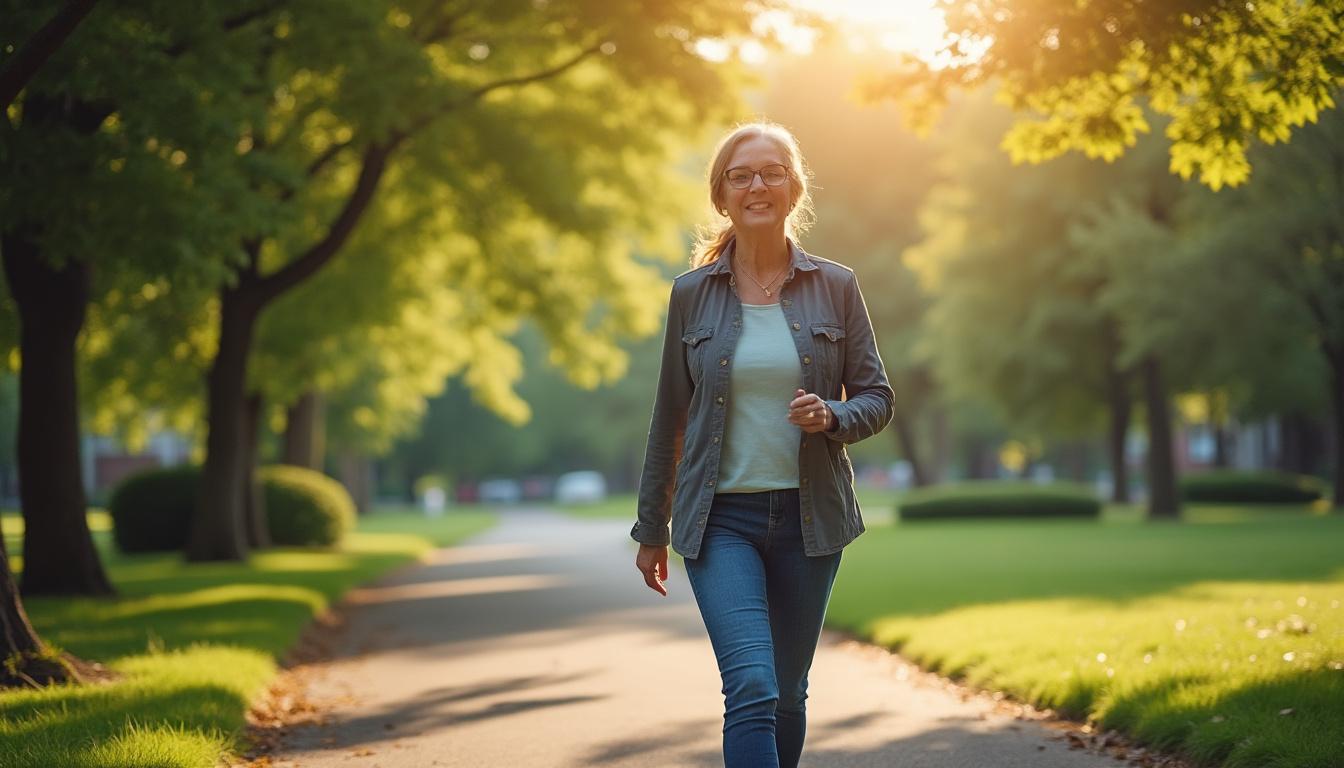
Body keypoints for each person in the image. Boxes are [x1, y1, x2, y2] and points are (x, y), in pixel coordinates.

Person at [631, 121, 894, 768]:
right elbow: (671, 415)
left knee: (787, 696)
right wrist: (651, 528)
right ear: (722, 195)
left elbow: (877, 398)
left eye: (771, 172)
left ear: (793, 187)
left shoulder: (837, 285)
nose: (757, 185)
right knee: (752, 684)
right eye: (741, 175)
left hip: (811, 519)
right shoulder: (692, 295)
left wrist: (831, 416)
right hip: (721, 522)